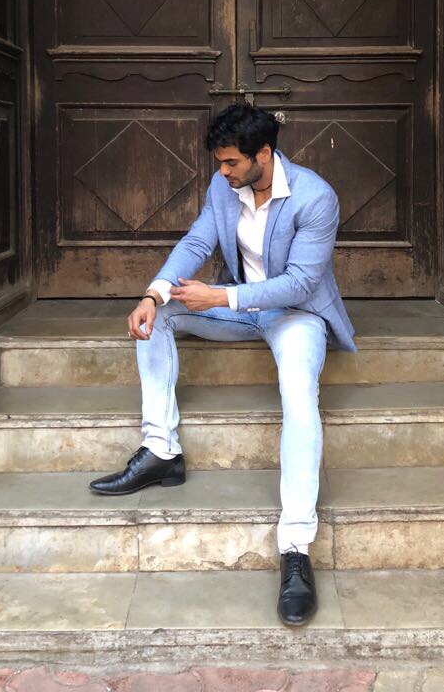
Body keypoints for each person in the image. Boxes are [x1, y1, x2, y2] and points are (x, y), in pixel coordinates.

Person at [90, 103, 356, 626]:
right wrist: (153, 293)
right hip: (237, 307)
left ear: (264, 154)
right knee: (158, 317)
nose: (223, 171)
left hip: (296, 315)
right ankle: (161, 450)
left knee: (299, 397)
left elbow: (301, 282)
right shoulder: (223, 186)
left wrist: (220, 298)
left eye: (232, 162)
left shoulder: (315, 196)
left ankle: (295, 548)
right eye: (219, 162)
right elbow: (197, 241)